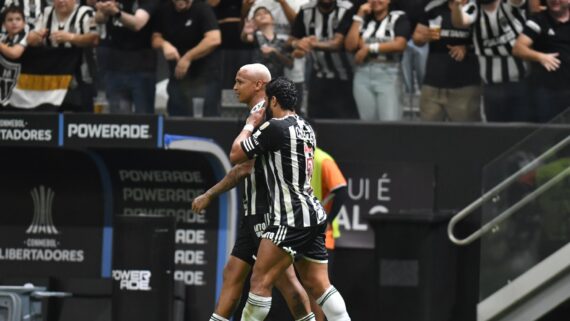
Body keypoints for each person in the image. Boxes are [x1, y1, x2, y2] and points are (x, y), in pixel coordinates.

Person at [192, 64, 316, 321]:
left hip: (268, 213)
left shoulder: (267, 118)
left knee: (286, 281)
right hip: (252, 214)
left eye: (240, 81)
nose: (234, 87)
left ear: (259, 85)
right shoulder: (258, 115)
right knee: (233, 274)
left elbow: (242, 166)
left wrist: (210, 194)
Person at [229, 76, 351, 321]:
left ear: (272, 100)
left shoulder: (274, 127)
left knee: (260, 280)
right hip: (314, 215)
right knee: (319, 285)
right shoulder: (306, 127)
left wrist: (250, 123)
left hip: (289, 216)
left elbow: (236, 154)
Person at [451, 0, 531, 122]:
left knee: (521, 130)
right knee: (495, 132)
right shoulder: (474, 7)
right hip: (491, 86)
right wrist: (457, 5)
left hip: (519, 83)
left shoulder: (509, 4)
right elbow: (460, 22)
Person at [413, 0, 481, 121]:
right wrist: (424, 37)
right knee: (427, 136)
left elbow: (487, 41)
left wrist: (466, 48)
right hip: (433, 85)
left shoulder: (476, 8)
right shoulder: (433, 7)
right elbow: (417, 38)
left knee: (466, 137)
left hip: (465, 87)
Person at [25, 0, 99, 111]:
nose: (61, 1)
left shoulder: (86, 12)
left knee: (83, 116)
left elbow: (94, 39)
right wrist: (35, 38)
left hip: (80, 77)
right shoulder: (46, 13)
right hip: (52, 79)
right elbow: (31, 38)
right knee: (51, 119)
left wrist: (71, 38)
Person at [152, 0, 222, 116]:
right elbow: (155, 38)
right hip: (178, 75)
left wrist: (188, 57)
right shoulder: (165, 10)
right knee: (177, 118)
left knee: (209, 118)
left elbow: (214, 38)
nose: (180, 2)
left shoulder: (202, 8)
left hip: (204, 74)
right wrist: (164, 44)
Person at [290, 0, 358, 119]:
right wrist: (298, 43)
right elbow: (291, 39)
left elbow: (337, 44)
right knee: (316, 123)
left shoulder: (347, 9)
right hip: (318, 76)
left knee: (346, 125)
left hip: (346, 78)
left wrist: (311, 44)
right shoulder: (306, 10)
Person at [345, 0, 411, 121]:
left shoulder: (398, 17)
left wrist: (369, 48)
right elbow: (350, 46)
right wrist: (359, 16)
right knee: (366, 123)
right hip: (362, 74)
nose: (376, 1)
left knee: (389, 122)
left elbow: (400, 44)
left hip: (389, 73)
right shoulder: (363, 20)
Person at [95, 0, 159, 114]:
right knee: (119, 121)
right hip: (115, 66)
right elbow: (99, 19)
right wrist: (103, 10)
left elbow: (137, 24)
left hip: (141, 67)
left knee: (144, 119)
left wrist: (116, 12)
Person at [513, 0, 570, 122]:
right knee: (548, 135)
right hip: (548, 93)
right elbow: (518, 48)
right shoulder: (538, 20)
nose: (554, 1)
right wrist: (540, 57)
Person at [309, 144, 348, 321]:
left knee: (318, 288)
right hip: (298, 235)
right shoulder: (292, 157)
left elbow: (340, 189)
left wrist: (327, 221)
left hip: (321, 238)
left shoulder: (322, 159)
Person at [241, 6, 293, 78]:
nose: (262, 15)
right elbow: (245, 38)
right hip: (258, 81)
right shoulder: (254, 37)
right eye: (258, 14)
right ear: (254, 21)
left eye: (265, 13)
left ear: (273, 19)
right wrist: (245, 32)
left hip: (278, 81)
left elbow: (290, 64)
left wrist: (275, 52)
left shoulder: (282, 40)